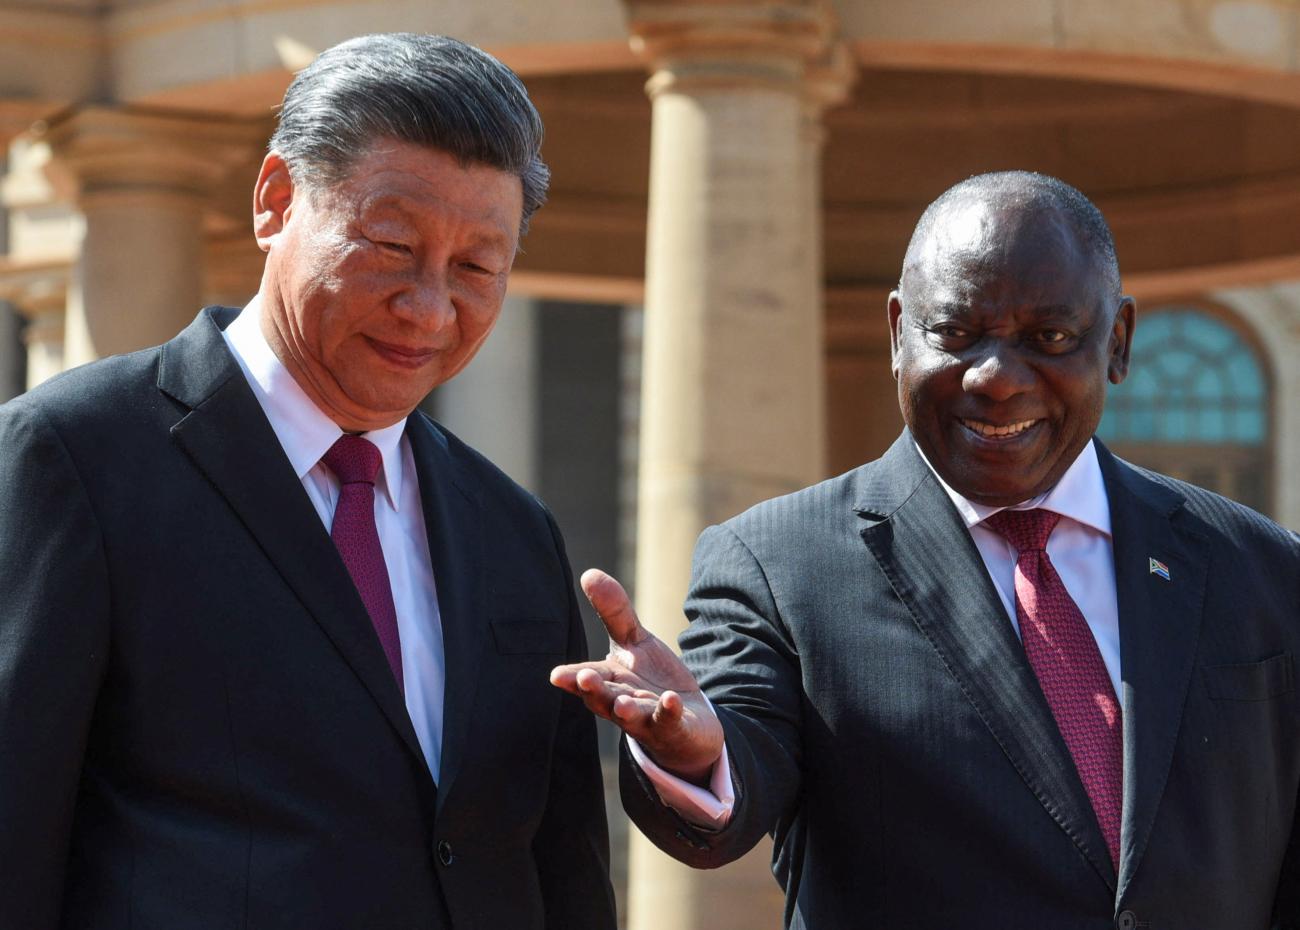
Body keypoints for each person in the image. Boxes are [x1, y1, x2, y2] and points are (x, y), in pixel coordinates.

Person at [553, 171, 1300, 929]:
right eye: (955, 334)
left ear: (1118, 342)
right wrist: (694, 754)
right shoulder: (777, 565)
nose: (996, 379)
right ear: (897, 335)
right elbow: (735, 760)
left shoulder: (1261, 570)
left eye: (1049, 339)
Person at [0, 33, 616, 930]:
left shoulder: (513, 528)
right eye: (392, 244)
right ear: (276, 201)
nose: (431, 308)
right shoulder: (74, 457)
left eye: (478, 268)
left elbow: (556, 868)